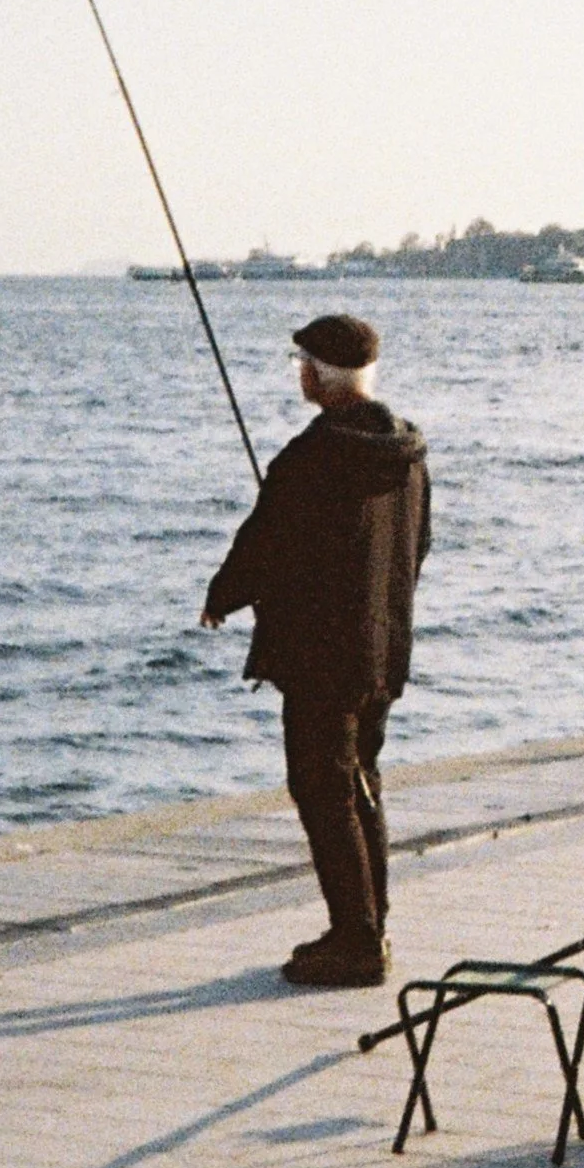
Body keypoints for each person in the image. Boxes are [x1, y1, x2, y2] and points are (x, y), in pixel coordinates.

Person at [201, 312, 432, 987]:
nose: (299, 372)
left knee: (323, 788)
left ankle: (357, 941)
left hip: (324, 658)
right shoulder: (408, 454)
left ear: (323, 375)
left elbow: (267, 540)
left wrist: (223, 594)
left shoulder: (313, 456)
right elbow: (418, 545)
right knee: (361, 782)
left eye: (304, 362)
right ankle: (364, 924)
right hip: (383, 650)